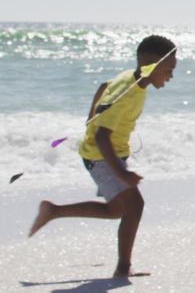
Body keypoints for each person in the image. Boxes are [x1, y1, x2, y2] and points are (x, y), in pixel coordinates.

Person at [29, 35, 178, 278]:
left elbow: (103, 85)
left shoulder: (132, 80)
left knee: (116, 210)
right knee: (135, 206)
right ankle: (123, 268)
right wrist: (121, 173)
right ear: (150, 63)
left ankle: (53, 211)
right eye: (168, 69)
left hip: (105, 154)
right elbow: (101, 137)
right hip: (101, 156)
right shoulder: (127, 94)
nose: (171, 76)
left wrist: (91, 118)